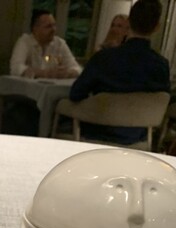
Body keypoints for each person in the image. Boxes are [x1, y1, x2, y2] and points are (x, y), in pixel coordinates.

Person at [69, 0, 170, 145]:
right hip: (137, 138)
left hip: (96, 133)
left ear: (129, 22)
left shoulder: (104, 58)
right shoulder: (161, 66)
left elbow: (76, 93)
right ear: (157, 27)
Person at [10, 9, 81, 79]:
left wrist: (67, 73)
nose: (53, 29)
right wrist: (45, 73)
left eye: (54, 25)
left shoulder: (60, 43)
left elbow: (77, 68)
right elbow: (16, 68)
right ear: (35, 29)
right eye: (48, 26)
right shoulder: (25, 42)